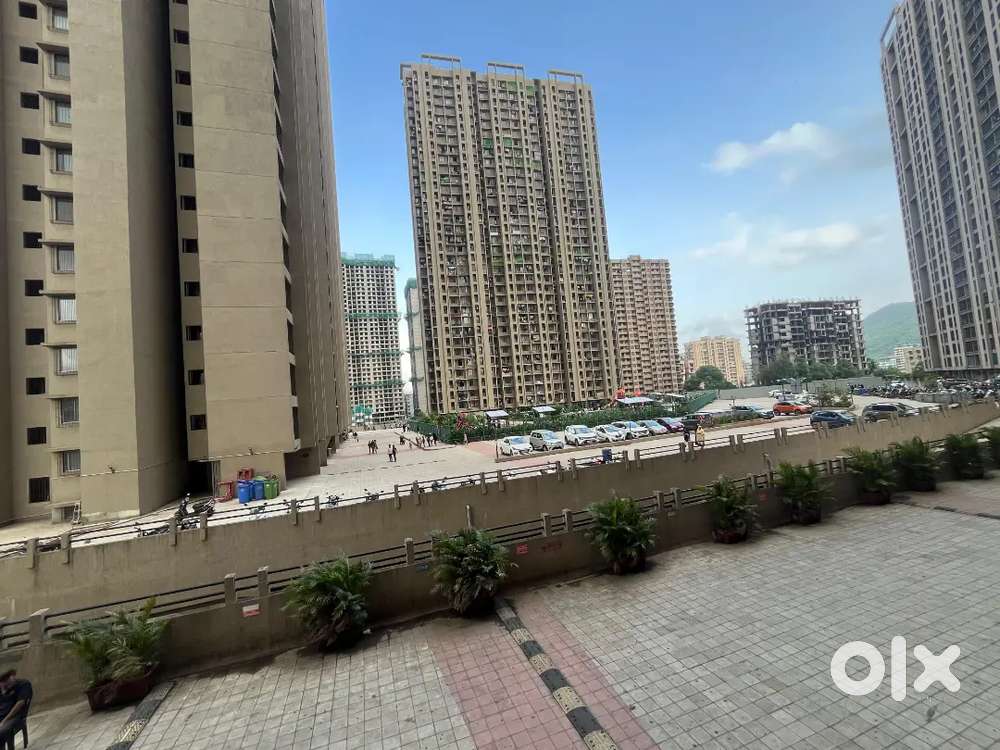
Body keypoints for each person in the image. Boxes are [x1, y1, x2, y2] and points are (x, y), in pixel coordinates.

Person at [0, 670, 32, 746]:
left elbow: (20, 703)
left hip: (15, 716)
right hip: (2, 716)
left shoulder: (23, 684)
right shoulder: (3, 688)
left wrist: (4, 721)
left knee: (2, 731)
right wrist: (3, 690)